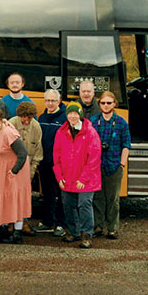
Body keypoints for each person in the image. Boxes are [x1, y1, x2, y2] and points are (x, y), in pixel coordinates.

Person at [53, 104, 102, 249]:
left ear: (80, 115)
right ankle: (73, 232)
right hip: (67, 177)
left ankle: (87, 234)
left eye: (75, 114)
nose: (72, 117)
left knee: (84, 204)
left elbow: (94, 158)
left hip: (86, 179)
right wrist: (59, 176)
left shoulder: (91, 132)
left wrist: (83, 179)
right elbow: (56, 156)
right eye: (70, 114)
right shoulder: (61, 132)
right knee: (68, 205)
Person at [0, 107, 32, 244]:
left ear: (1, 120)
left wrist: (14, 170)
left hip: (12, 170)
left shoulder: (8, 132)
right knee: (2, 198)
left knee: (15, 199)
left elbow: (22, 153)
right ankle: (3, 229)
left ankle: (17, 232)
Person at [89, 91, 130, 240]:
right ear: (99, 104)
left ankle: (112, 228)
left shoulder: (121, 123)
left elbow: (126, 145)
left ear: (114, 104)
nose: (106, 106)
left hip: (114, 165)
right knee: (97, 198)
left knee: (113, 199)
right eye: (103, 103)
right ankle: (98, 226)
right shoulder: (93, 121)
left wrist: (122, 164)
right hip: (96, 166)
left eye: (109, 103)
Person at [9, 100, 42, 236]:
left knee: (25, 196)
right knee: (10, 195)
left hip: (28, 166)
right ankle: (10, 221)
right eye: (24, 117)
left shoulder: (36, 127)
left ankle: (24, 222)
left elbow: (38, 151)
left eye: (29, 117)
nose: (26, 120)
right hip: (12, 164)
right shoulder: (11, 123)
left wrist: (33, 169)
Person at [37, 89, 68, 235]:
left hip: (61, 164)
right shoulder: (41, 118)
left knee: (62, 194)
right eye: (47, 101)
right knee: (48, 193)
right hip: (45, 163)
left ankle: (61, 224)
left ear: (59, 101)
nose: (50, 103)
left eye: (53, 101)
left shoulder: (65, 118)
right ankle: (48, 221)